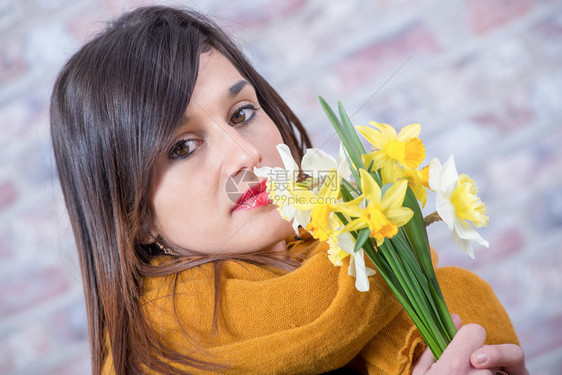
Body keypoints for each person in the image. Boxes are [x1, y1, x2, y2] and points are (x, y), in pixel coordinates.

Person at [50, 5, 528, 375]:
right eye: (181, 147)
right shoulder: (154, 361)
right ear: (137, 219)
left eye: (242, 114)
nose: (245, 155)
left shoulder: (382, 269)